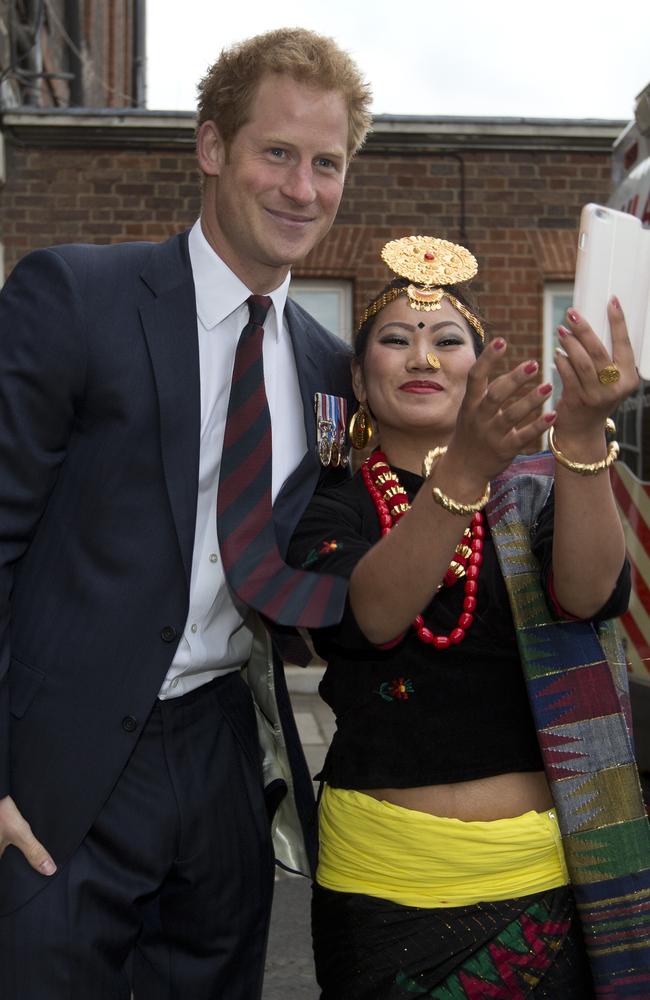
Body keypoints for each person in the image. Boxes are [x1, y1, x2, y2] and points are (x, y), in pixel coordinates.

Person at [0, 27, 372, 1000]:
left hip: (222, 767)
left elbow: (333, 545)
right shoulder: (74, 297)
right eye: (276, 153)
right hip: (56, 769)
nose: (301, 188)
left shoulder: (332, 378)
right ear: (212, 148)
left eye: (325, 163)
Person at [288, 235, 650, 998]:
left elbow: (588, 593)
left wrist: (580, 434)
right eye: (396, 339)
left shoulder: (536, 492)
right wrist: (464, 471)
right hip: (383, 889)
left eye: (448, 339)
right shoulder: (331, 504)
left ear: (480, 369)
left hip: (545, 884)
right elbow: (372, 617)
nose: (423, 357)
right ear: (358, 376)